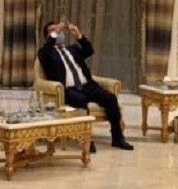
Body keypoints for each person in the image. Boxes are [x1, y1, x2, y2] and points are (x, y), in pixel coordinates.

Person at [38, 20, 132, 152]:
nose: (58, 32)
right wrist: (53, 35)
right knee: (81, 100)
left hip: (87, 85)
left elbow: (89, 50)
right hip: (69, 89)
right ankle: (86, 139)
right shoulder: (45, 53)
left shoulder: (73, 49)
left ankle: (117, 138)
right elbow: (46, 52)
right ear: (47, 37)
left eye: (58, 30)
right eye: (52, 30)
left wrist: (78, 35)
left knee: (111, 98)